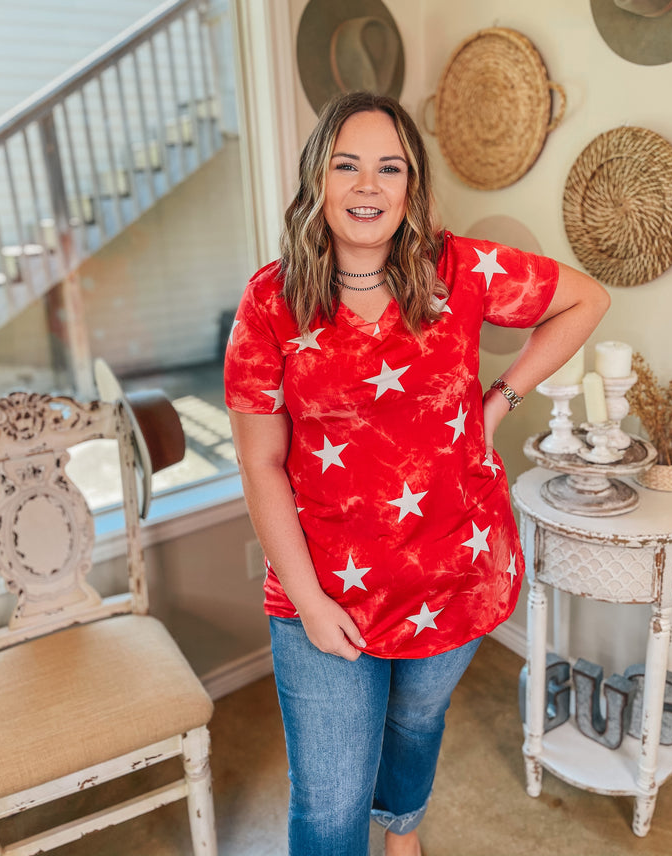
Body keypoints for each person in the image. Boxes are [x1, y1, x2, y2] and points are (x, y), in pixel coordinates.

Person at [224, 91, 609, 856]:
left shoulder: (460, 270)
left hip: (455, 570)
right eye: (348, 165)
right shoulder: (272, 301)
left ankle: (403, 830)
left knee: (414, 722)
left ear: (411, 187)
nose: (369, 185)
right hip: (325, 588)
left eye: (389, 167)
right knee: (330, 805)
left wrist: (500, 400)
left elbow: (585, 299)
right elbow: (260, 460)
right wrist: (307, 599)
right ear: (318, 181)